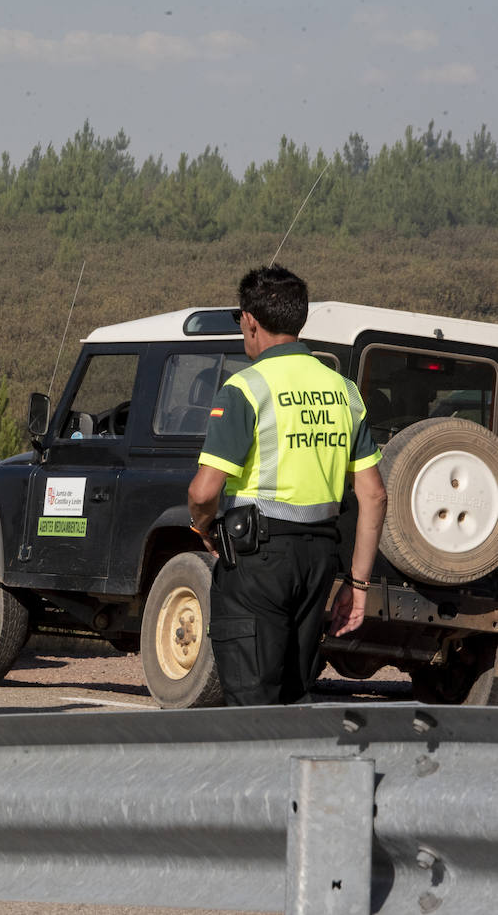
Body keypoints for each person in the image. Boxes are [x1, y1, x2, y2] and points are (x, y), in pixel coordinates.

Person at [187, 266, 387, 706]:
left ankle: (265, 775)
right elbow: (373, 494)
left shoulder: (245, 387)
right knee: (295, 695)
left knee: (252, 701)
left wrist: (201, 527)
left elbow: (204, 492)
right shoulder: (344, 391)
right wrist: (358, 583)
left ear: (249, 321)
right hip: (319, 559)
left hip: (257, 558)